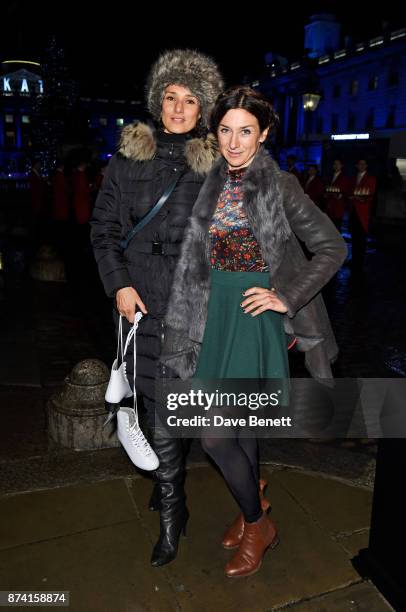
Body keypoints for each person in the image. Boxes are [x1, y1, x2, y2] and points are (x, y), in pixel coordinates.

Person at [161, 86, 347, 578]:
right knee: (236, 428)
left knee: (214, 434)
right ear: (215, 132)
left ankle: (256, 522)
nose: (235, 141)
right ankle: (252, 507)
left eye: (246, 131)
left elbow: (332, 248)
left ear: (264, 133)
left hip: (252, 318)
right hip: (213, 318)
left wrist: (285, 297)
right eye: (225, 130)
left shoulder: (280, 185)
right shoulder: (212, 182)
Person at [90, 49, 223, 567]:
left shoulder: (215, 166)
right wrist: (119, 285)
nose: (178, 108)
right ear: (157, 101)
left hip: (192, 303)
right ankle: (173, 498)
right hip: (138, 299)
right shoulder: (128, 159)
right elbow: (103, 230)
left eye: (190, 100)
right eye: (171, 97)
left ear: (202, 109)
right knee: (152, 402)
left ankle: (171, 494)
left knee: (175, 403)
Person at [348, 159, 376, 274]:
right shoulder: (353, 178)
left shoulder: (371, 178)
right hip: (354, 211)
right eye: (359, 164)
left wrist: (361, 198)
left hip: (363, 212)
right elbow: (350, 191)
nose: (361, 166)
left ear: (367, 165)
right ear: (356, 165)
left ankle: (360, 261)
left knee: (361, 238)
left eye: (363, 164)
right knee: (354, 237)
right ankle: (354, 259)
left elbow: (371, 194)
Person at [324, 159, 349, 231]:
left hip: (338, 206)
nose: (336, 166)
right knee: (329, 227)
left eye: (338, 164)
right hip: (329, 206)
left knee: (336, 227)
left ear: (341, 166)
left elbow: (345, 190)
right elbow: (326, 188)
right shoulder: (330, 176)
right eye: (335, 164)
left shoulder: (344, 177)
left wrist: (339, 195)